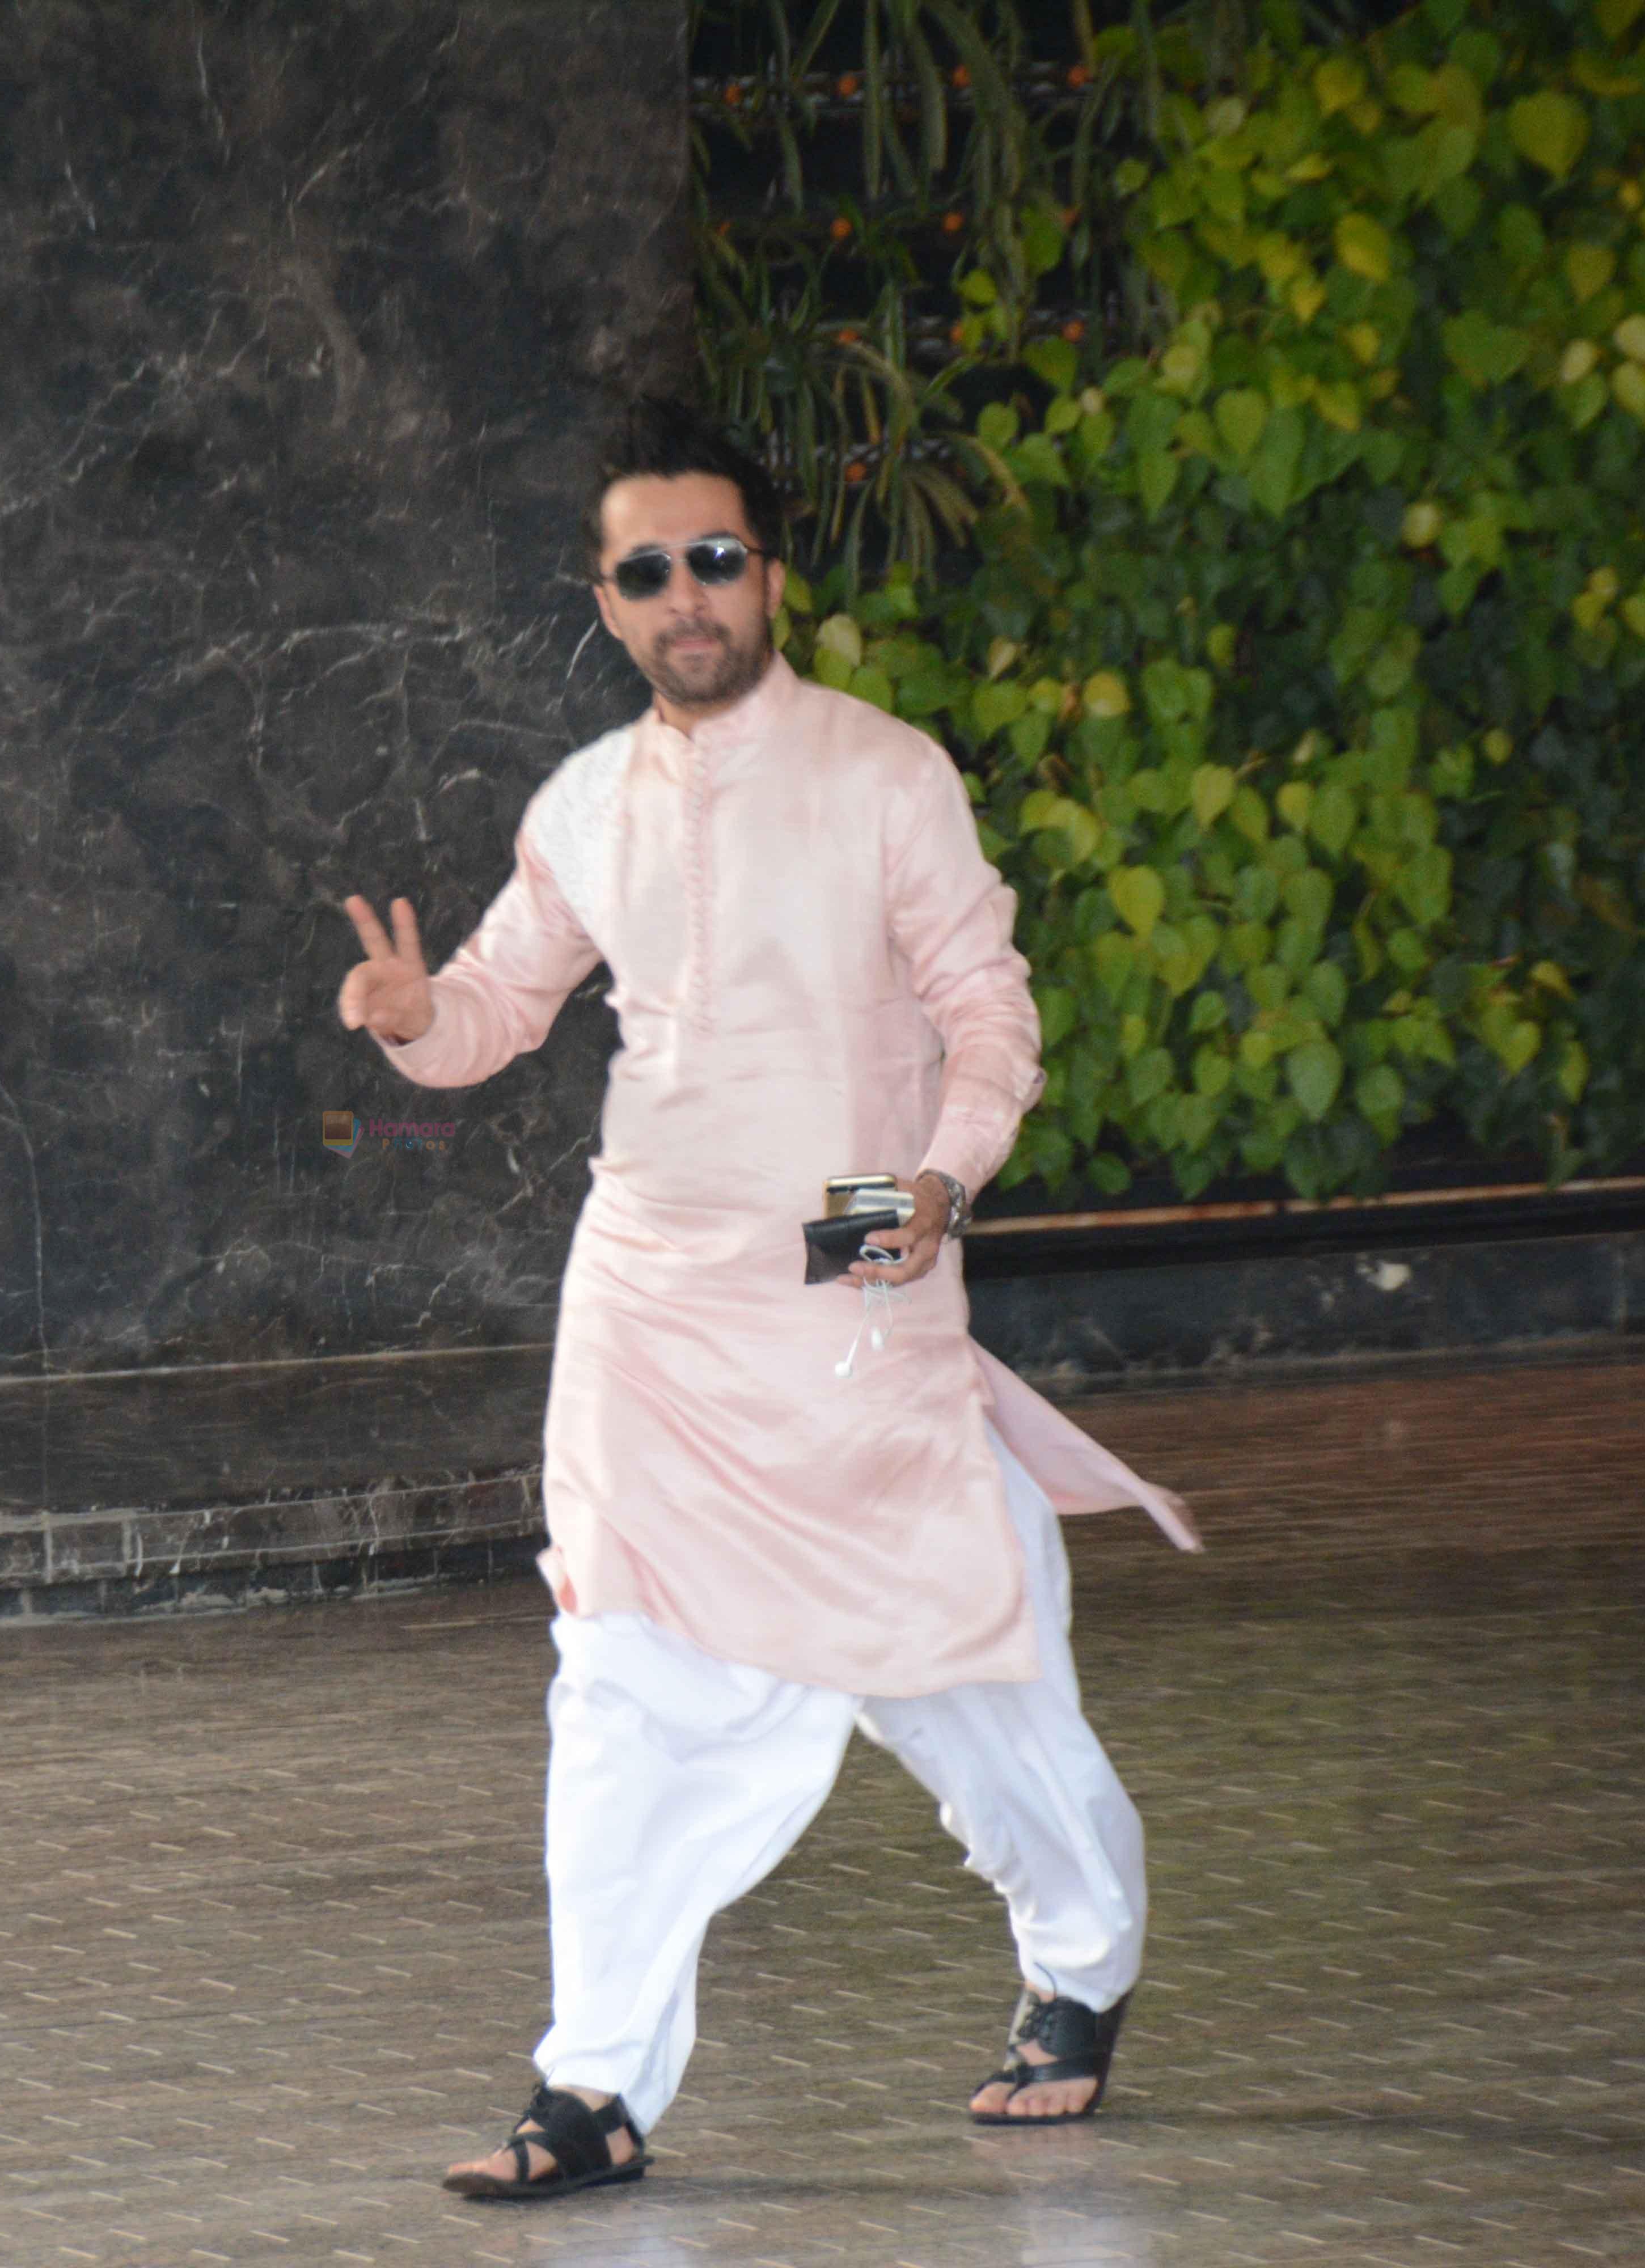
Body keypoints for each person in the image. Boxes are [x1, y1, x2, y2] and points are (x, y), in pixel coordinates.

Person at [333, 396, 1202, 2201]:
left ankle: (1084, 1962)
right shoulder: (583, 803)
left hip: (848, 1260)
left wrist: (933, 1194)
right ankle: (595, 2085)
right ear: (607, 602)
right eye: (646, 572)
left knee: (968, 1674)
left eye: (713, 559)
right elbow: (499, 1004)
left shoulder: (887, 776)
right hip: (648, 1292)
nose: (686, 597)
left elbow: (992, 1018)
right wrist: (420, 1025)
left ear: (770, 573)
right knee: (623, 1685)